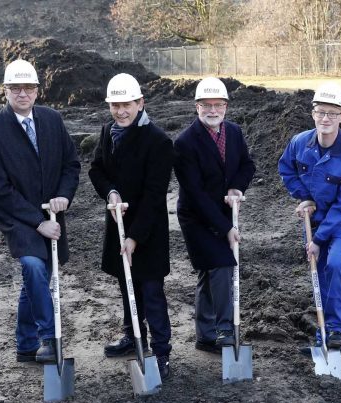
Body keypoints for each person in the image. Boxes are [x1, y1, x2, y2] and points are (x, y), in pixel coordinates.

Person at [0, 59, 80, 364]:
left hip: (52, 213)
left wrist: (63, 195)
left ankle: (24, 344)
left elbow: (70, 165)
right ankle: (49, 338)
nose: (23, 93)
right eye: (16, 88)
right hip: (18, 218)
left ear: (37, 90)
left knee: (37, 280)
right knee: (34, 267)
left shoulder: (52, 120)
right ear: (5, 91)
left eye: (29, 88)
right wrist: (37, 222)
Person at [89, 73, 174, 379]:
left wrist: (136, 237)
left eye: (126, 104)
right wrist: (110, 192)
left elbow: (154, 195)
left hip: (147, 231)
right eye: (115, 105)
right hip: (118, 224)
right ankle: (131, 335)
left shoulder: (159, 141)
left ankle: (161, 351)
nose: (120, 111)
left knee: (151, 289)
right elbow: (96, 170)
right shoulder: (107, 132)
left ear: (140, 103)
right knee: (126, 285)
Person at [278, 82, 341, 350]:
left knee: (338, 264)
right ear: (313, 113)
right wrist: (303, 196)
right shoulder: (299, 143)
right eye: (321, 112)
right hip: (315, 220)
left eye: (332, 113)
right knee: (321, 276)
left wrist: (318, 239)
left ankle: (336, 330)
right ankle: (324, 339)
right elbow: (287, 169)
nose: (325, 118)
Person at [173, 77, 255, 353]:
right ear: (196, 107)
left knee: (209, 273)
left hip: (223, 212)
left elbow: (246, 165)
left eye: (218, 104)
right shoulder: (185, 142)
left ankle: (204, 334)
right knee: (221, 264)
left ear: (226, 106)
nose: (212, 110)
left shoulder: (234, 132)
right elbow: (194, 193)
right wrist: (225, 229)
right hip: (196, 217)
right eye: (206, 105)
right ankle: (224, 330)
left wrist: (236, 186)